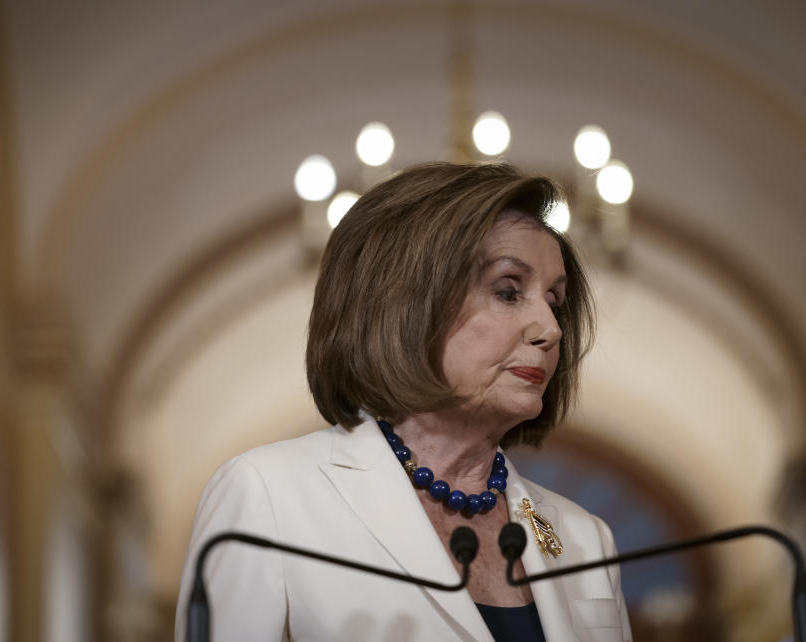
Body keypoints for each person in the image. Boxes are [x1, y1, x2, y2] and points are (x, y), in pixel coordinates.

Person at [175, 162, 632, 641]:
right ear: (407, 303)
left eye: (555, 300)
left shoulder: (584, 538)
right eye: (508, 291)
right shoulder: (267, 496)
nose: (551, 329)